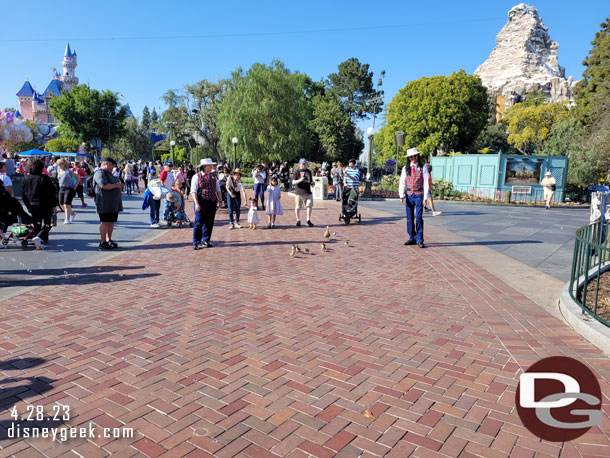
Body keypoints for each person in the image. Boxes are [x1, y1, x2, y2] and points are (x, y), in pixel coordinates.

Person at [21, 159, 58, 250]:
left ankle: (39, 239)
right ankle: (39, 237)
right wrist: (54, 205)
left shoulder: (25, 178)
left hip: (32, 204)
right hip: (44, 204)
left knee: (37, 223)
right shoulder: (44, 178)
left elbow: (23, 194)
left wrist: (28, 205)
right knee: (47, 223)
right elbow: (51, 192)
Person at [399, 148, 429, 248]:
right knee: (409, 217)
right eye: (411, 157)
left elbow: (426, 183)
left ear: (417, 156)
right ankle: (411, 237)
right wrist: (401, 195)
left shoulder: (422, 167)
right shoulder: (405, 168)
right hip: (409, 195)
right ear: (408, 158)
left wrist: (425, 198)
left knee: (419, 217)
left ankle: (419, 238)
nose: (413, 158)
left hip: (419, 194)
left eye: (415, 156)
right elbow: (402, 181)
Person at [190, 158, 222, 250]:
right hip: (201, 201)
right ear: (204, 167)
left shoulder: (213, 176)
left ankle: (206, 240)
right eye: (210, 165)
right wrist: (197, 203)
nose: (211, 167)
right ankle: (196, 242)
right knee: (199, 222)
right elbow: (194, 191)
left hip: (211, 201)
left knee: (209, 222)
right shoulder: (197, 176)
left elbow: (218, 189)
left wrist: (220, 201)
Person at [93, 157, 123, 249]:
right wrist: (117, 185)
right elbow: (104, 186)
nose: (113, 168)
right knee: (105, 222)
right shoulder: (99, 173)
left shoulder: (109, 174)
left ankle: (108, 239)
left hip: (113, 204)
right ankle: (103, 241)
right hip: (104, 203)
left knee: (111, 222)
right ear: (107, 163)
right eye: (112, 166)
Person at [56, 158, 79, 224]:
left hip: (69, 188)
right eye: (58, 164)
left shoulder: (68, 171)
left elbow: (78, 177)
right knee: (61, 205)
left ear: (63, 164)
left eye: (59, 164)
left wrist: (76, 185)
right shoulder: (58, 170)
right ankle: (72, 213)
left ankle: (67, 219)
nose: (58, 165)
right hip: (61, 188)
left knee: (66, 204)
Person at [292, 158, 314, 226]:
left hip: (308, 191)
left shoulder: (308, 172)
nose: (303, 165)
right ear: (299, 164)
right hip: (299, 192)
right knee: (298, 206)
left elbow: (311, 181)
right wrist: (300, 180)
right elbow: (293, 182)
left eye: (304, 164)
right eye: (302, 164)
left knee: (309, 205)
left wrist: (312, 184)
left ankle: (308, 220)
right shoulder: (297, 172)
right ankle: (298, 220)